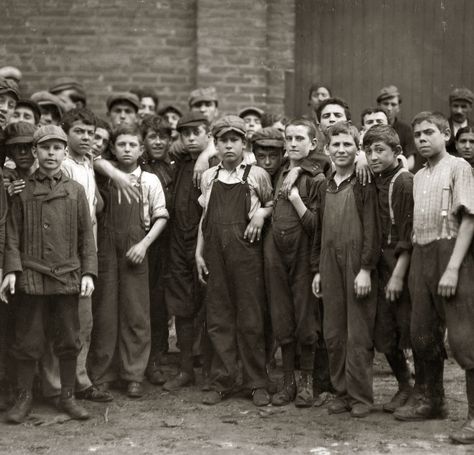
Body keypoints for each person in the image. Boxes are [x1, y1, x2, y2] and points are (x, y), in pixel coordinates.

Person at [0, 125, 97, 423]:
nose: (51, 154)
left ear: (65, 152)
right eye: (45, 148)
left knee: (69, 338)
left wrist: (88, 273)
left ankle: (67, 396)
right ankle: (24, 397)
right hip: (32, 276)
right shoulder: (22, 191)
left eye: (57, 148)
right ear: (35, 152)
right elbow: (12, 235)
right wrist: (12, 270)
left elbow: (86, 237)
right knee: (28, 339)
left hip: (67, 276)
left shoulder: (75, 191)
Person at [394, 112, 474, 446]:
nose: (423, 139)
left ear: (445, 134)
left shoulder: (459, 167)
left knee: (464, 340)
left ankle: (473, 418)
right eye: (417, 134)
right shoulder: (417, 176)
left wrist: (453, 268)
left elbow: (469, 220)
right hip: (422, 255)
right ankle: (432, 399)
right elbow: (413, 230)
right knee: (421, 333)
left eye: (430, 132)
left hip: (451, 254)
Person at [196, 115, 273, 406]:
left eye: (234, 140)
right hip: (215, 254)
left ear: (244, 143)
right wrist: (197, 253)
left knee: (251, 318)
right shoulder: (209, 177)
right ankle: (223, 380)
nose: (228, 146)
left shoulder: (256, 175)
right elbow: (205, 219)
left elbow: (271, 204)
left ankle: (256, 382)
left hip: (247, 255)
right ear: (215, 144)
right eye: (223, 140)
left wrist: (260, 214)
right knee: (218, 317)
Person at [88, 125, 168, 399]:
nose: (126, 149)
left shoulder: (149, 180)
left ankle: (133, 374)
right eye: (121, 144)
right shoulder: (103, 175)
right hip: (107, 249)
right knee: (105, 311)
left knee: (136, 313)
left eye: (132, 145)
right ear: (113, 148)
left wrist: (144, 245)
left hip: (136, 248)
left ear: (141, 149)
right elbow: (91, 157)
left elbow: (161, 217)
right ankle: (102, 374)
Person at [39, 108, 113, 404]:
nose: (87, 138)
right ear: (65, 132)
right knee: (58, 322)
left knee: (83, 322)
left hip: (85, 252)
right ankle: (53, 386)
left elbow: (93, 208)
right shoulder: (62, 164)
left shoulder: (87, 164)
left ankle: (79, 381)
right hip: (60, 256)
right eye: (80, 132)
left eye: (91, 134)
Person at [312, 121, 380, 418]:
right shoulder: (324, 184)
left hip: (356, 263)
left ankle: (361, 397)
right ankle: (341, 392)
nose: (341, 150)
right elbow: (317, 231)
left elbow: (372, 230)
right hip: (329, 262)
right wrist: (317, 269)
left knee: (358, 333)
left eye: (347, 145)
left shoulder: (364, 183)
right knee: (334, 332)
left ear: (357, 150)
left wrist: (365, 268)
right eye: (335, 145)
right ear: (326, 149)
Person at [265, 119, 325, 408]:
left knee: (305, 318)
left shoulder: (317, 178)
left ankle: (307, 383)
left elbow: (316, 226)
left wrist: (296, 198)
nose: (292, 143)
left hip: (302, 252)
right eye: (288, 138)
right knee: (282, 315)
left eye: (300, 138)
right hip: (276, 252)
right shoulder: (279, 171)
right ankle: (287, 381)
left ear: (313, 144)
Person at [363, 124, 416, 414]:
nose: (372, 156)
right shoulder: (374, 178)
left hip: (402, 262)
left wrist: (398, 274)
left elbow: (409, 235)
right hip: (380, 263)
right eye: (368, 151)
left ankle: (422, 390)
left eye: (379, 150)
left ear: (397, 152)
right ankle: (404, 384)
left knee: (408, 328)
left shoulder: (404, 182)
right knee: (384, 331)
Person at [163, 112, 210, 392]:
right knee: (181, 304)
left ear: (209, 135)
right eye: (186, 134)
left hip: (205, 242)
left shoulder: (217, 160)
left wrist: (208, 155)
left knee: (209, 304)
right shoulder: (179, 161)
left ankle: (208, 368)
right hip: (178, 240)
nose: (191, 138)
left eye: (197, 132)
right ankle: (185, 369)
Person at [140, 115, 175, 385]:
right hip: (144, 240)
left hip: (170, 242)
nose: (159, 141)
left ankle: (158, 356)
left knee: (162, 300)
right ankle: (143, 359)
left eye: (163, 136)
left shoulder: (176, 166)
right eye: (153, 136)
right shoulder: (138, 167)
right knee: (145, 300)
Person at [376, 85, 417, 170]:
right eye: (386, 104)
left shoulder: (406, 129)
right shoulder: (371, 126)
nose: (389, 108)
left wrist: (396, 172)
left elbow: (411, 161)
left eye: (393, 104)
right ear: (379, 106)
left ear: (398, 108)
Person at [446, 88, 473, 156]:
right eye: (455, 106)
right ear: (450, 106)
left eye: (463, 107)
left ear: (470, 107)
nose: (459, 111)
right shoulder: (441, 127)